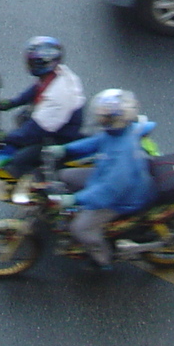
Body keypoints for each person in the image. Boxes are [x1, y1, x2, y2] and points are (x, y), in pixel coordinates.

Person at [44, 89, 156, 271]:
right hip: (105, 175)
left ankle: (102, 259)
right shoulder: (117, 132)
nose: (101, 120)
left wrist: (76, 199)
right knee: (65, 175)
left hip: (122, 198)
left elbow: (108, 190)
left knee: (80, 228)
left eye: (105, 118)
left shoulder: (122, 153)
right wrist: (65, 149)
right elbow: (95, 142)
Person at [0, 36, 84, 177]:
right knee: (22, 118)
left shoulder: (59, 95)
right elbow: (35, 89)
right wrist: (10, 103)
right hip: (53, 123)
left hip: (60, 137)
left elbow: (34, 130)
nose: (28, 64)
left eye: (32, 61)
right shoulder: (54, 74)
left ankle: (35, 186)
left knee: (19, 161)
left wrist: (5, 137)